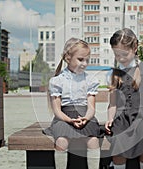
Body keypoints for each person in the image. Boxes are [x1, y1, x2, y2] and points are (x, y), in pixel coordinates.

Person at [104, 28, 143, 169]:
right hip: (122, 118)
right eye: (117, 54)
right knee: (118, 149)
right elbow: (113, 104)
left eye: (124, 54)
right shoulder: (113, 74)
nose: (120, 58)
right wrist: (110, 118)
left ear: (135, 48)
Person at [43, 38, 100, 169]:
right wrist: (69, 120)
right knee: (61, 141)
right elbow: (57, 110)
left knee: (93, 140)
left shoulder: (90, 80)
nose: (85, 63)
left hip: (85, 116)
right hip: (64, 117)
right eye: (81, 59)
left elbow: (91, 108)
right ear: (68, 58)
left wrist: (86, 118)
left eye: (87, 60)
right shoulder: (57, 81)